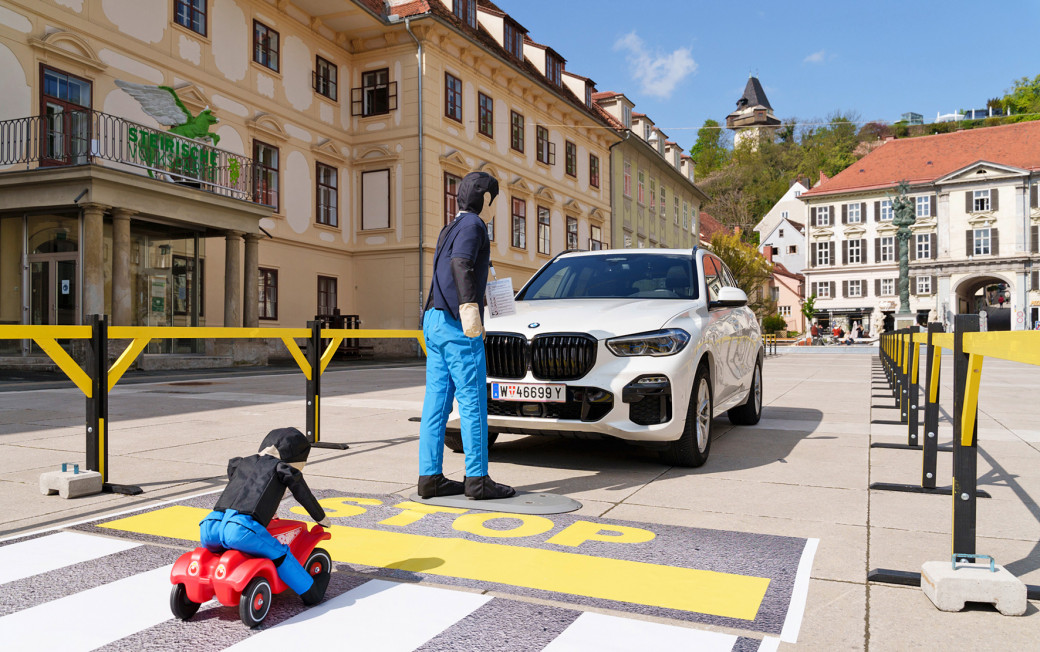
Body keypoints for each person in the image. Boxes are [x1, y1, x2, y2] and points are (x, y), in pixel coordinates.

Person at [419, 171, 515, 500]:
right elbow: (461, 264)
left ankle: (430, 477)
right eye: (495, 201)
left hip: (433, 319)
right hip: (457, 324)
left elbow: (449, 267)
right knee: (472, 402)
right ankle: (477, 479)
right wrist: (471, 309)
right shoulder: (475, 226)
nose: (494, 208)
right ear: (486, 199)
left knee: (436, 405)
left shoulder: (450, 227)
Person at [199, 427, 330, 605]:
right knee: (281, 555)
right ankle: (311, 592)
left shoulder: (241, 462)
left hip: (211, 524)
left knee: (220, 551)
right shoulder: (282, 468)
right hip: (239, 528)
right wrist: (321, 518)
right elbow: (303, 494)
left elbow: (240, 478)